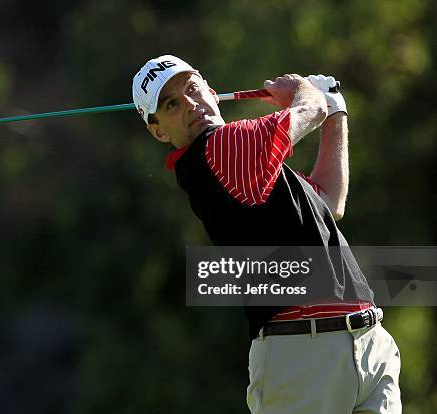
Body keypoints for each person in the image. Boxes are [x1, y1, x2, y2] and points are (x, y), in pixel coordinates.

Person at [132, 55, 401, 413]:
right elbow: (310, 109)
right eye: (172, 104)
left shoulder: (240, 167)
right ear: (160, 131)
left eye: (193, 89)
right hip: (303, 353)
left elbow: (330, 201)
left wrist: (336, 111)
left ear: (212, 92)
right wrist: (305, 91)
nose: (191, 105)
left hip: (367, 343)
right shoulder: (222, 147)